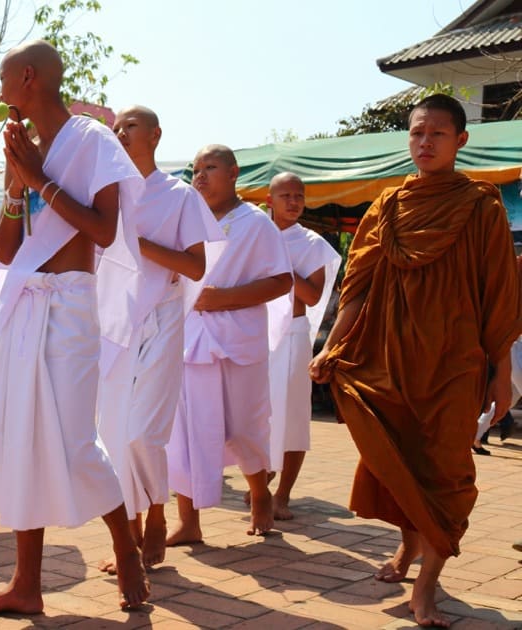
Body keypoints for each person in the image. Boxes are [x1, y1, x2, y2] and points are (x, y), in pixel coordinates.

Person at [310, 94, 522, 628]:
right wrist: (333, 344)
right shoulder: (387, 205)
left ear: (461, 141)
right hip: (389, 357)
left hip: (455, 361)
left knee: (446, 469)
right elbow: (356, 287)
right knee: (397, 456)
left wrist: (502, 373)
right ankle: (408, 549)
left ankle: (428, 581)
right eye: (417, 134)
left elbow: (499, 294)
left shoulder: (481, 205)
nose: (425, 144)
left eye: (438, 135)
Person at [0, 40, 150, 616]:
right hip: (22, 303)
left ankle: (128, 547)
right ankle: (26, 585)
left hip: (68, 305)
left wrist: (39, 178)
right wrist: (16, 190)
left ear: (26, 78)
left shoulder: (92, 140)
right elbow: (2, 248)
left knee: (71, 440)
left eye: (2, 78)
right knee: (20, 438)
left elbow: (102, 230)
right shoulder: (27, 149)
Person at [97, 105, 224, 574]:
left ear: (155, 135)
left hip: (163, 316)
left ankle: (155, 512)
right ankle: (128, 531)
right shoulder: (106, 192)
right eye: (116, 128)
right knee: (113, 434)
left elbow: (195, 267)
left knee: (141, 432)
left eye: (130, 126)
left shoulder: (179, 195)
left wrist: (137, 243)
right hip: (110, 324)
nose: (121, 133)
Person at [166, 145, 293, 544]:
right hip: (189, 340)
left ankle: (259, 492)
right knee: (184, 433)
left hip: (238, 340)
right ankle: (189, 522)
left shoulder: (255, 223)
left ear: (234, 173)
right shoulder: (186, 219)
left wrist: (224, 299)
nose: (200, 176)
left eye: (210, 167)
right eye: (195, 168)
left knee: (244, 430)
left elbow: (282, 280)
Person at [265, 172, 341, 520]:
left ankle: (282, 495)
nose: (293, 202)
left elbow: (311, 297)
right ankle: (260, 480)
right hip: (252, 334)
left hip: (293, 335)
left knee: (293, 416)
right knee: (254, 413)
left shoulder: (311, 243)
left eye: (299, 195)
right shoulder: (254, 234)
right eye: (286, 195)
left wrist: (282, 267)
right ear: (270, 200)